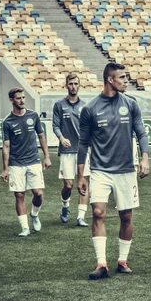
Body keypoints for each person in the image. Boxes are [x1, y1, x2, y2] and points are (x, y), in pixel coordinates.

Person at [77, 62, 150, 280]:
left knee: (126, 216)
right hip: (100, 170)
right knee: (98, 213)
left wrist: (145, 158)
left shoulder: (131, 104)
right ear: (110, 79)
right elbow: (83, 143)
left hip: (126, 170)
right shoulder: (90, 109)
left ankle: (122, 260)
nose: (126, 81)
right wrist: (81, 175)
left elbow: (141, 134)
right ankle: (101, 264)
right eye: (122, 77)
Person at [1, 87, 51, 236]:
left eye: (23, 97)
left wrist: (46, 156)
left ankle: (34, 215)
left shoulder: (33, 116)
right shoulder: (7, 122)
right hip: (16, 163)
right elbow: (6, 146)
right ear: (11, 100)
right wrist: (5, 169)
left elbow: (41, 136)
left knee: (38, 193)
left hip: (33, 161)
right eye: (18, 98)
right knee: (19, 195)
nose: (22, 100)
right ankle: (25, 228)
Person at [52, 73, 90, 227]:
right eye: (71, 84)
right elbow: (55, 125)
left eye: (76, 83)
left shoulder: (86, 106)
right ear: (66, 85)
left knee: (83, 184)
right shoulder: (59, 105)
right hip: (67, 151)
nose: (73, 86)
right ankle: (65, 206)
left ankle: (81, 216)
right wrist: (61, 138)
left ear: (79, 85)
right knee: (68, 185)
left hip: (83, 150)